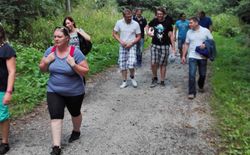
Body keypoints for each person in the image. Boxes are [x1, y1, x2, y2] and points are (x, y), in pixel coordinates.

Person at [39, 26, 89, 155]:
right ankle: (56, 147)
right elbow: (42, 69)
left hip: (74, 91)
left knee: (75, 112)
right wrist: (46, 61)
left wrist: (73, 65)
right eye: (55, 36)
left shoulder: (75, 52)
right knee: (55, 116)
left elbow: (85, 71)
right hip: (54, 89)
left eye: (59, 36)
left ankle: (76, 131)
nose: (56, 39)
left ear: (67, 38)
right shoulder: (50, 51)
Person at [181, 17, 213, 99]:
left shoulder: (205, 31)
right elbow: (186, 44)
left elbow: (212, 41)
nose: (189, 24)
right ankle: (191, 92)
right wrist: (184, 55)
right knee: (191, 74)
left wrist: (205, 44)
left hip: (203, 56)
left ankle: (200, 85)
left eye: (191, 23)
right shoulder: (189, 32)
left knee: (202, 75)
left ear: (196, 23)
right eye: (189, 23)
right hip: (192, 56)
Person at [146, 7, 175, 88]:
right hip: (154, 45)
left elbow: (171, 35)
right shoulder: (154, 21)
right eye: (158, 14)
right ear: (156, 14)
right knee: (153, 63)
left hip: (165, 46)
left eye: (161, 14)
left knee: (163, 64)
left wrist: (173, 48)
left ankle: (162, 80)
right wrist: (148, 33)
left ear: (164, 14)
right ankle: (155, 78)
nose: (159, 15)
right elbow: (147, 26)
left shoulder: (168, 23)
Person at [113, 8, 141, 88]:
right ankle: (124, 81)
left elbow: (139, 36)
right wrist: (120, 41)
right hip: (123, 45)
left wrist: (132, 43)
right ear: (123, 16)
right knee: (122, 64)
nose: (129, 18)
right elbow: (114, 33)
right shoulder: (119, 23)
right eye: (127, 17)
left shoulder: (135, 24)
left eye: (130, 16)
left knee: (131, 63)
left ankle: (132, 77)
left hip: (132, 45)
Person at [0, 24, 16, 154]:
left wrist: (8, 92)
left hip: (2, 88)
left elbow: (12, 72)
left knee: (2, 116)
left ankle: (4, 142)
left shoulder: (7, 50)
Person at [63, 16, 91, 84]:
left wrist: (79, 32)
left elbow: (88, 38)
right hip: (69, 55)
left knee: (80, 71)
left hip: (79, 55)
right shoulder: (66, 33)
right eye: (66, 24)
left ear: (72, 22)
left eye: (68, 23)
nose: (67, 25)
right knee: (71, 72)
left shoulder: (79, 30)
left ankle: (81, 87)